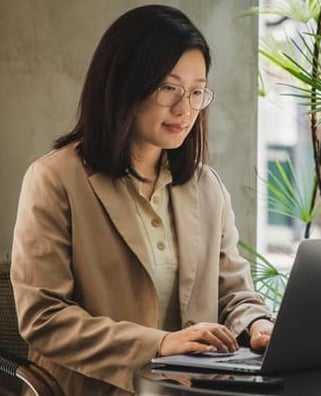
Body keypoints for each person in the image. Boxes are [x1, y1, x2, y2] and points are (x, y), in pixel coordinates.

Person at [10, 5, 274, 395]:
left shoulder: (205, 185)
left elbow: (233, 292)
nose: (185, 109)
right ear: (124, 85)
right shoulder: (54, 179)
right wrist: (160, 344)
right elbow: (44, 319)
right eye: (168, 88)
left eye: (197, 91)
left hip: (193, 388)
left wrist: (258, 324)